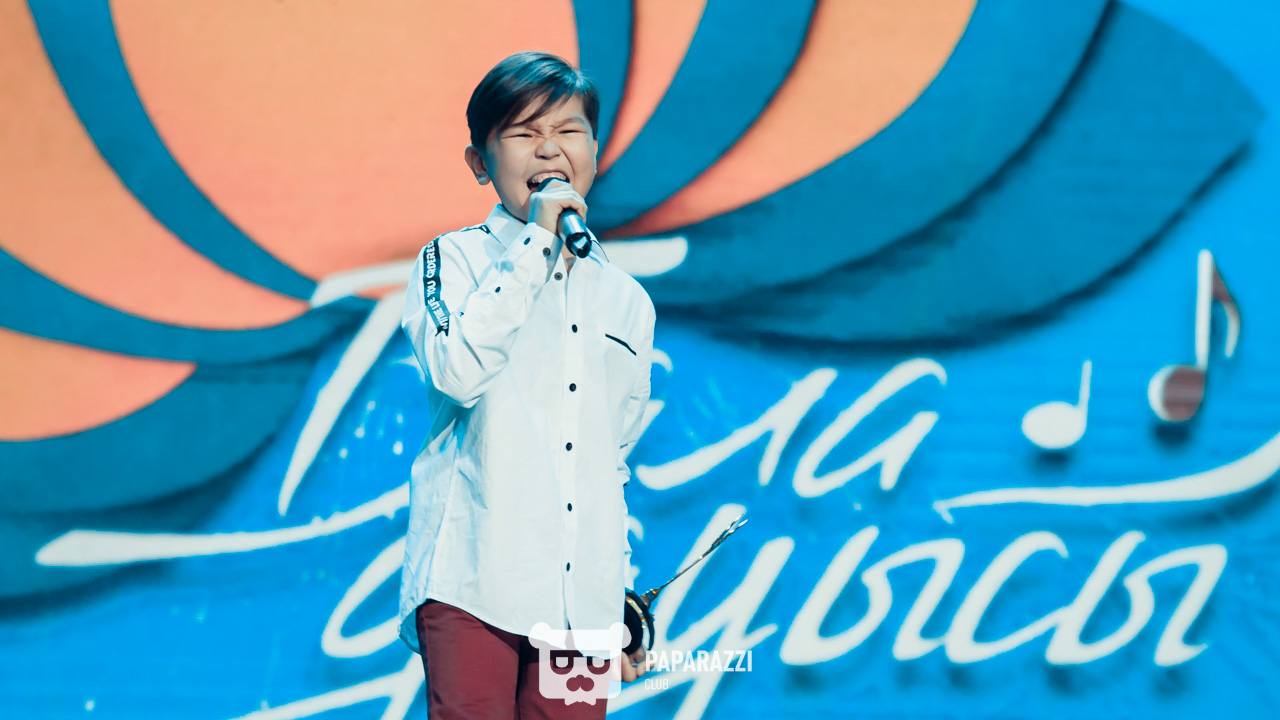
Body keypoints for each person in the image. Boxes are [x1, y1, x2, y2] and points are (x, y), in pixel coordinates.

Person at [397, 51, 655, 719]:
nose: (548, 148)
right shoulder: (453, 260)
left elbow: (610, 461)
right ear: (480, 162)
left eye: (569, 130)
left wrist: (617, 595)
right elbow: (458, 372)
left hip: (582, 604)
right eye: (522, 133)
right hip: (474, 576)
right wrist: (537, 243)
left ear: (594, 150)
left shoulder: (626, 300)